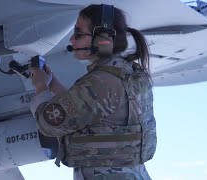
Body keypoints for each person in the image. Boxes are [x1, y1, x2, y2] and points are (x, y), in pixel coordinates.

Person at [29, 4, 157, 180]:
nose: (72, 41)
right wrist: (54, 85)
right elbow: (93, 110)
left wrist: (40, 87)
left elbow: (48, 124)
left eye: (79, 34)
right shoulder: (129, 73)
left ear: (102, 39)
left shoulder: (102, 82)